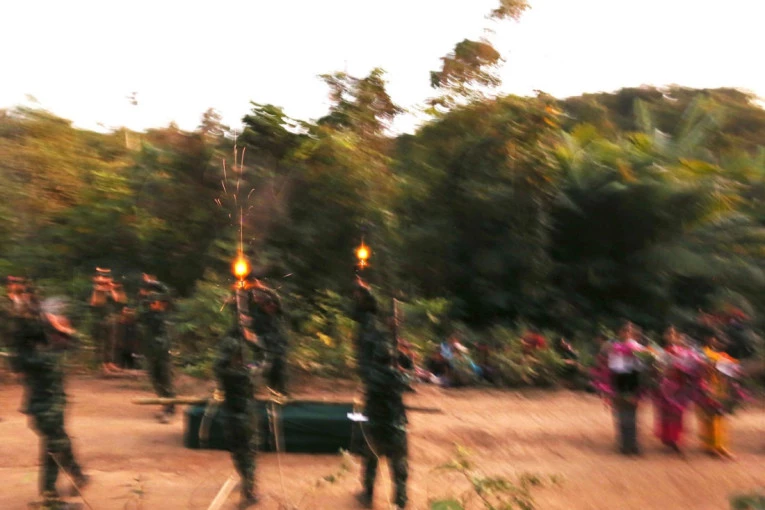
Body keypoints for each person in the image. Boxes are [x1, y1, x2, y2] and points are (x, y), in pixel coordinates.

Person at [13, 288, 90, 505]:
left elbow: (75, 344)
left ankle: (76, 475)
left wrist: (61, 328)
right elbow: (61, 351)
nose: (61, 318)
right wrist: (57, 327)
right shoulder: (35, 353)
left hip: (53, 403)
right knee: (54, 447)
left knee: (59, 442)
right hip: (44, 407)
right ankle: (50, 497)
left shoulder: (45, 344)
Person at [214, 299, 260, 508]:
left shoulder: (237, 348)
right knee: (243, 451)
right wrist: (251, 343)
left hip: (237, 409)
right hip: (238, 410)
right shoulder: (239, 368)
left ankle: (249, 489)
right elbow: (260, 363)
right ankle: (249, 487)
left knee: (244, 451)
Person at [356, 341, 409, 509]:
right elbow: (407, 379)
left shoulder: (370, 376)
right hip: (395, 427)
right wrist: (399, 367)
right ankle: (400, 499)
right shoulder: (398, 377)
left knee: (371, 462)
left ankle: (368, 494)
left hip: (375, 427)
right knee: (399, 466)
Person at [599, 321, 647, 455]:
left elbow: (642, 367)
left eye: (629, 331)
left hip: (633, 382)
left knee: (632, 415)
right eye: (624, 331)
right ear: (620, 333)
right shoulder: (615, 348)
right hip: (619, 382)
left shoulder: (639, 348)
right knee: (621, 415)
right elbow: (613, 367)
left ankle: (633, 444)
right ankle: (624, 444)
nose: (627, 334)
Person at [138, 274, 176, 423]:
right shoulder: (147, 315)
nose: (154, 304)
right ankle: (165, 404)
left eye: (156, 302)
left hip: (163, 352)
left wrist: (153, 282)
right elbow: (139, 306)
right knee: (155, 380)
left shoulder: (165, 314)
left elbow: (167, 292)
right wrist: (144, 293)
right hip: (150, 352)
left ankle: (169, 409)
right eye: (152, 302)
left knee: (165, 380)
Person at [696, 328, 738, 459]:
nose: (720, 342)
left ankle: (718, 446)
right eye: (717, 339)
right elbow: (699, 371)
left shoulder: (723, 356)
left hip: (720, 389)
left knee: (719, 419)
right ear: (709, 339)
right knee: (709, 418)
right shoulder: (703, 353)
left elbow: (732, 372)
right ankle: (712, 446)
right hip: (706, 387)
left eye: (722, 341)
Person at [653, 326, 694, 455]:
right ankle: (667, 437)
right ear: (665, 337)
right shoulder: (662, 352)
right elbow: (658, 367)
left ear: (677, 337)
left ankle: (675, 438)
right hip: (667, 383)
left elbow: (691, 366)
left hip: (680, 384)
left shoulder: (685, 352)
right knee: (666, 412)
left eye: (673, 334)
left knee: (678, 412)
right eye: (669, 334)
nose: (671, 337)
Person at [248, 279, 289, 395]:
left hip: (276, 347)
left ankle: (279, 390)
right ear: (262, 306)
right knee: (256, 367)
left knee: (278, 366)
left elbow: (277, 299)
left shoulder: (277, 314)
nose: (272, 306)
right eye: (268, 304)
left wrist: (264, 288)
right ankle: (250, 389)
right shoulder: (257, 316)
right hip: (262, 346)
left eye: (272, 304)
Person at [351, 277, 389, 391]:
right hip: (365, 335)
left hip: (371, 336)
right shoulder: (359, 304)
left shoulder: (370, 302)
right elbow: (354, 315)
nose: (355, 294)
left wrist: (363, 287)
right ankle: (369, 383)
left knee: (370, 360)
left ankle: (373, 383)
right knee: (363, 361)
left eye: (357, 292)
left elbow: (373, 303)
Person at [89, 268, 125, 374]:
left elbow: (117, 299)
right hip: (99, 319)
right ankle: (102, 365)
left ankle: (109, 363)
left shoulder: (108, 289)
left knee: (111, 342)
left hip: (110, 318)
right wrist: (99, 289)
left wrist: (110, 288)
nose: (103, 279)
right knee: (102, 343)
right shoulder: (94, 289)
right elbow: (94, 303)